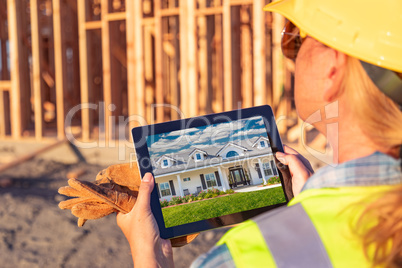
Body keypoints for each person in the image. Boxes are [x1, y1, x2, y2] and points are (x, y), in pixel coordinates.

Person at [117, 0, 402, 267]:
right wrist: (313, 200)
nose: (291, 56)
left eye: (296, 38)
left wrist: (149, 256)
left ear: (332, 69)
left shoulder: (245, 256)